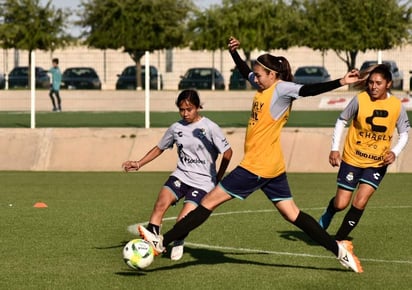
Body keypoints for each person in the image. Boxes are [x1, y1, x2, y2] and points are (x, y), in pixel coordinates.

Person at [138, 37, 364, 273]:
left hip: (256, 167)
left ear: (273, 74)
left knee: (207, 202)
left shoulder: (281, 89)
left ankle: (161, 242)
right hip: (272, 167)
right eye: (255, 74)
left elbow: (308, 90)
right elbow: (245, 71)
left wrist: (341, 81)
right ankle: (340, 251)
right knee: (293, 214)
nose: (254, 78)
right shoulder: (263, 86)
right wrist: (235, 53)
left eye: (259, 74)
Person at [122, 89, 233, 261]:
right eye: (182, 110)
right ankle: (151, 241)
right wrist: (138, 163)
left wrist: (218, 177)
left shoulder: (210, 128)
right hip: (181, 175)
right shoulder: (176, 128)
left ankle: (178, 239)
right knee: (160, 204)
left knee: (183, 220)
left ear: (198, 107)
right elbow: (160, 148)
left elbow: (228, 153)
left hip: (203, 182)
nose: (185, 113)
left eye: (189, 109)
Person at [318, 64, 410, 240]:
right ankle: (330, 211)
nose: (373, 87)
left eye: (378, 83)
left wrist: (395, 152)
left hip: (377, 163)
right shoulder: (360, 99)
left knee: (360, 202)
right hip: (352, 159)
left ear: (388, 84)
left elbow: (404, 133)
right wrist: (334, 149)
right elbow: (341, 121)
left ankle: (339, 240)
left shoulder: (397, 106)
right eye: (371, 83)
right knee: (341, 203)